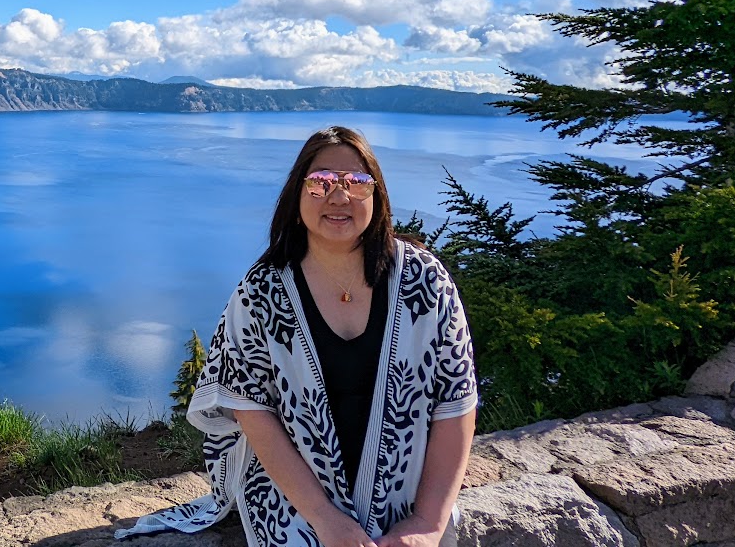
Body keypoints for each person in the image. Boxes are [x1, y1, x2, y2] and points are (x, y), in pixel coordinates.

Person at [122, 125, 477, 547]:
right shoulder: (262, 293)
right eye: (321, 181)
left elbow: (456, 400)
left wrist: (427, 523)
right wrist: (326, 519)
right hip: (292, 501)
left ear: (377, 196)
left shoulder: (425, 281)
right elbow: (251, 409)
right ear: (296, 198)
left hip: (409, 498)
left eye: (357, 182)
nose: (339, 195)